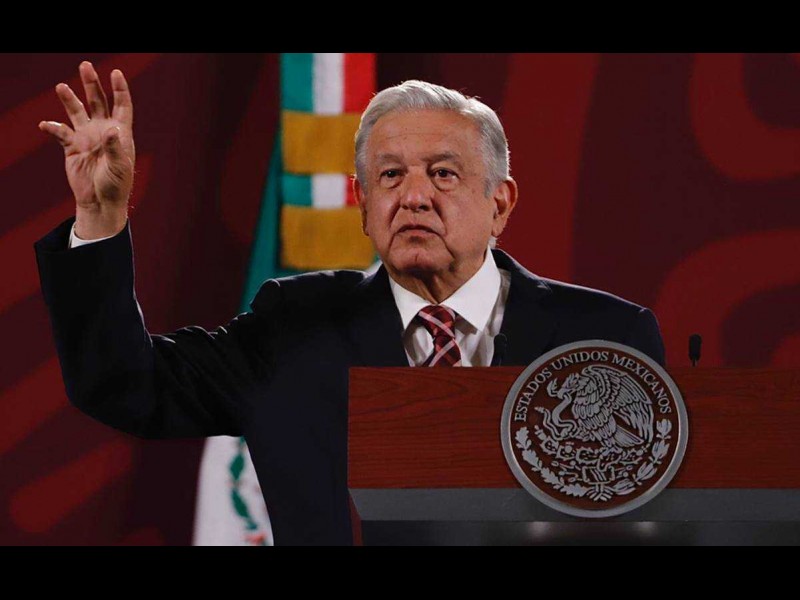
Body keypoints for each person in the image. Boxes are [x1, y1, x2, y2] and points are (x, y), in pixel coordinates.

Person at [35, 61, 665, 545]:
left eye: (443, 173)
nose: (413, 197)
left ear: (499, 202)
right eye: (390, 176)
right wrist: (100, 216)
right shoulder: (292, 329)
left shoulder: (606, 337)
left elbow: (654, 520)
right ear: (363, 204)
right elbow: (124, 384)